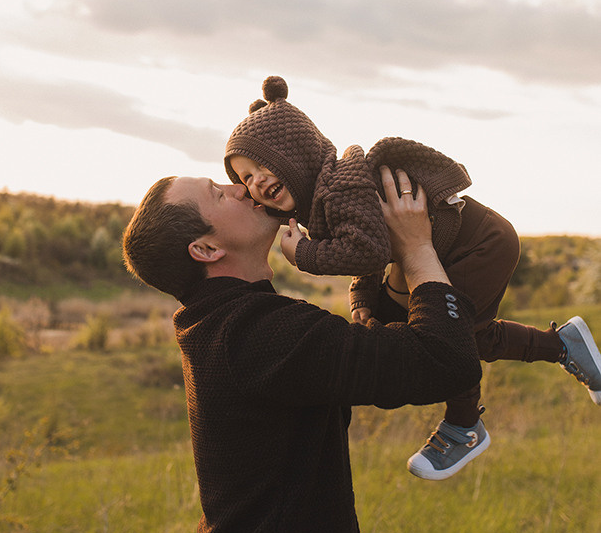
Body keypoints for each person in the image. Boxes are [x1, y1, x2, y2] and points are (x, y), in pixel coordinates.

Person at [123, 166, 482, 533]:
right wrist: (417, 246)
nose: (240, 188)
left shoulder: (229, 323)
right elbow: (444, 361)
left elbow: (357, 361)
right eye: (217, 194)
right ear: (205, 249)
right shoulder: (256, 333)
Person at [225, 75, 601, 481]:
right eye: (244, 178)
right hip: (451, 249)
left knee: (454, 336)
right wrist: (363, 300)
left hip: (480, 245)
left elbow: (366, 250)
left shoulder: (339, 188)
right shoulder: (327, 196)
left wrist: (305, 255)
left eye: (262, 165)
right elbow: (370, 244)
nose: (255, 180)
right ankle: (562, 345)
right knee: (450, 331)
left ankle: (464, 425)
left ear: (296, 153)